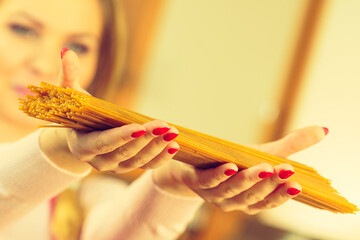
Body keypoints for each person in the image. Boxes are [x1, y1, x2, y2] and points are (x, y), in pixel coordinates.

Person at [0, 0, 328, 239]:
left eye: (78, 45)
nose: (44, 63)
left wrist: (173, 186)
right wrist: (58, 149)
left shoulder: (89, 200)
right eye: (22, 29)